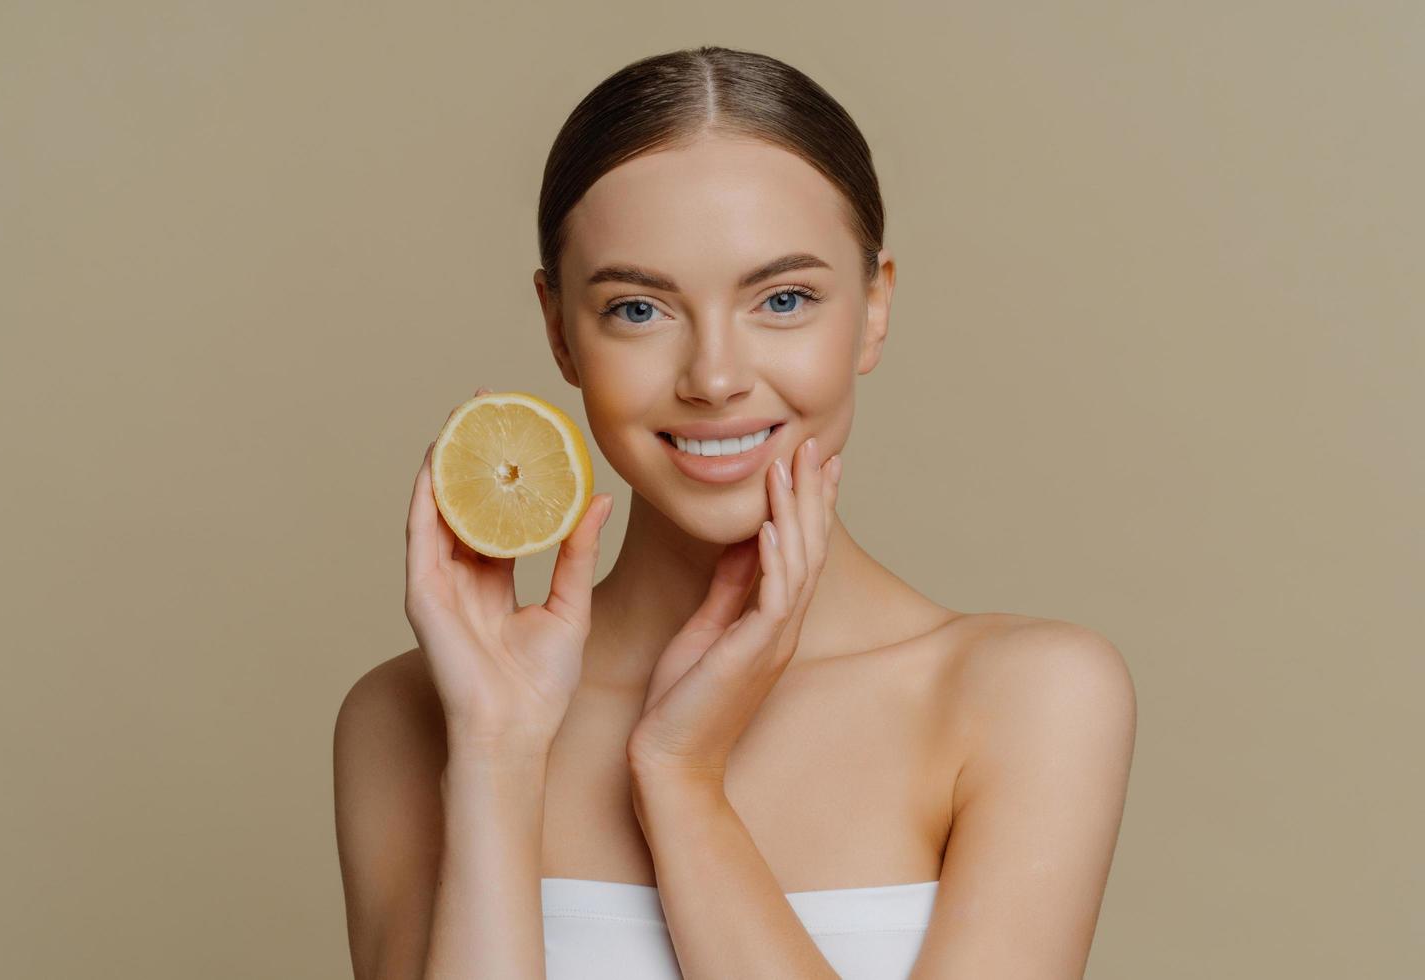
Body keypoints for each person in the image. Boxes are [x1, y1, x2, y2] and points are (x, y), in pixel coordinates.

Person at [334, 45, 1136, 980]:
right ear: (559, 330)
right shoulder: (413, 715)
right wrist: (498, 756)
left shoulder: (1025, 698)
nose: (714, 378)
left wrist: (681, 784)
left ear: (875, 307)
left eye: (783, 299)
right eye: (638, 309)